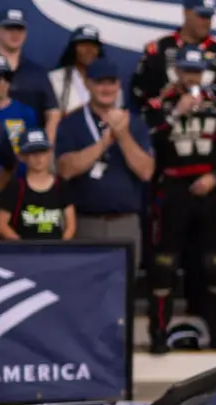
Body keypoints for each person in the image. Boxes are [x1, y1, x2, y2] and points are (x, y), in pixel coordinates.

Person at [142, 45, 216, 354]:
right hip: (172, 191)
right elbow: (148, 141)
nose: (192, 76)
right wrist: (175, 114)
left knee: (215, 264)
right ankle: (158, 334)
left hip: (210, 192)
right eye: (187, 70)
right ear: (177, 71)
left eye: (196, 71)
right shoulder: (160, 103)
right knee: (164, 265)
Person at [55, 59, 154, 265]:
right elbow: (65, 170)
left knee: (124, 291)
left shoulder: (134, 122)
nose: (106, 88)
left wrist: (123, 135)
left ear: (118, 85)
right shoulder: (71, 122)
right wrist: (105, 142)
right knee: (86, 291)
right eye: (100, 82)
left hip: (125, 223)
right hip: (85, 223)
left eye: (111, 82)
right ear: (88, 84)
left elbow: (146, 172)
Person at [129, 0, 216, 112]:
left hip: (211, 125)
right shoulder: (160, 48)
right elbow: (140, 91)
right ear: (186, 12)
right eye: (202, 15)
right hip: (166, 123)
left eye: (210, 16)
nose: (207, 22)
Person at [0, 127, 75, 241]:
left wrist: (61, 247)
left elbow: (71, 225)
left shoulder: (61, 186)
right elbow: (0, 225)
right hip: (24, 254)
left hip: (55, 253)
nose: (38, 158)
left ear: (49, 153)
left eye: (42, 151)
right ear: (22, 157)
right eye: (32, 153)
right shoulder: (15, 187)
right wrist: (23, 246)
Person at [0, 8, 59, 140]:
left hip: (29, 151)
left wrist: (47, 147)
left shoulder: (38, 74)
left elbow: (53, 113)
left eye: (19, 29)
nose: (15, 34)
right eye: (9, 28)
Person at [0, 55, 37, 200]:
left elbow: (34, 153)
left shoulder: (26, 113)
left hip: (17, 191)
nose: (2, 82)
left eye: (7, 76)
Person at [49, 25, 123, 116]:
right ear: (73, 49)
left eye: (93, 46)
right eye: (83, 45)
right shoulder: (55, 78)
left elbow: (117, 113)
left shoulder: (111, 82)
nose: (89, 50)